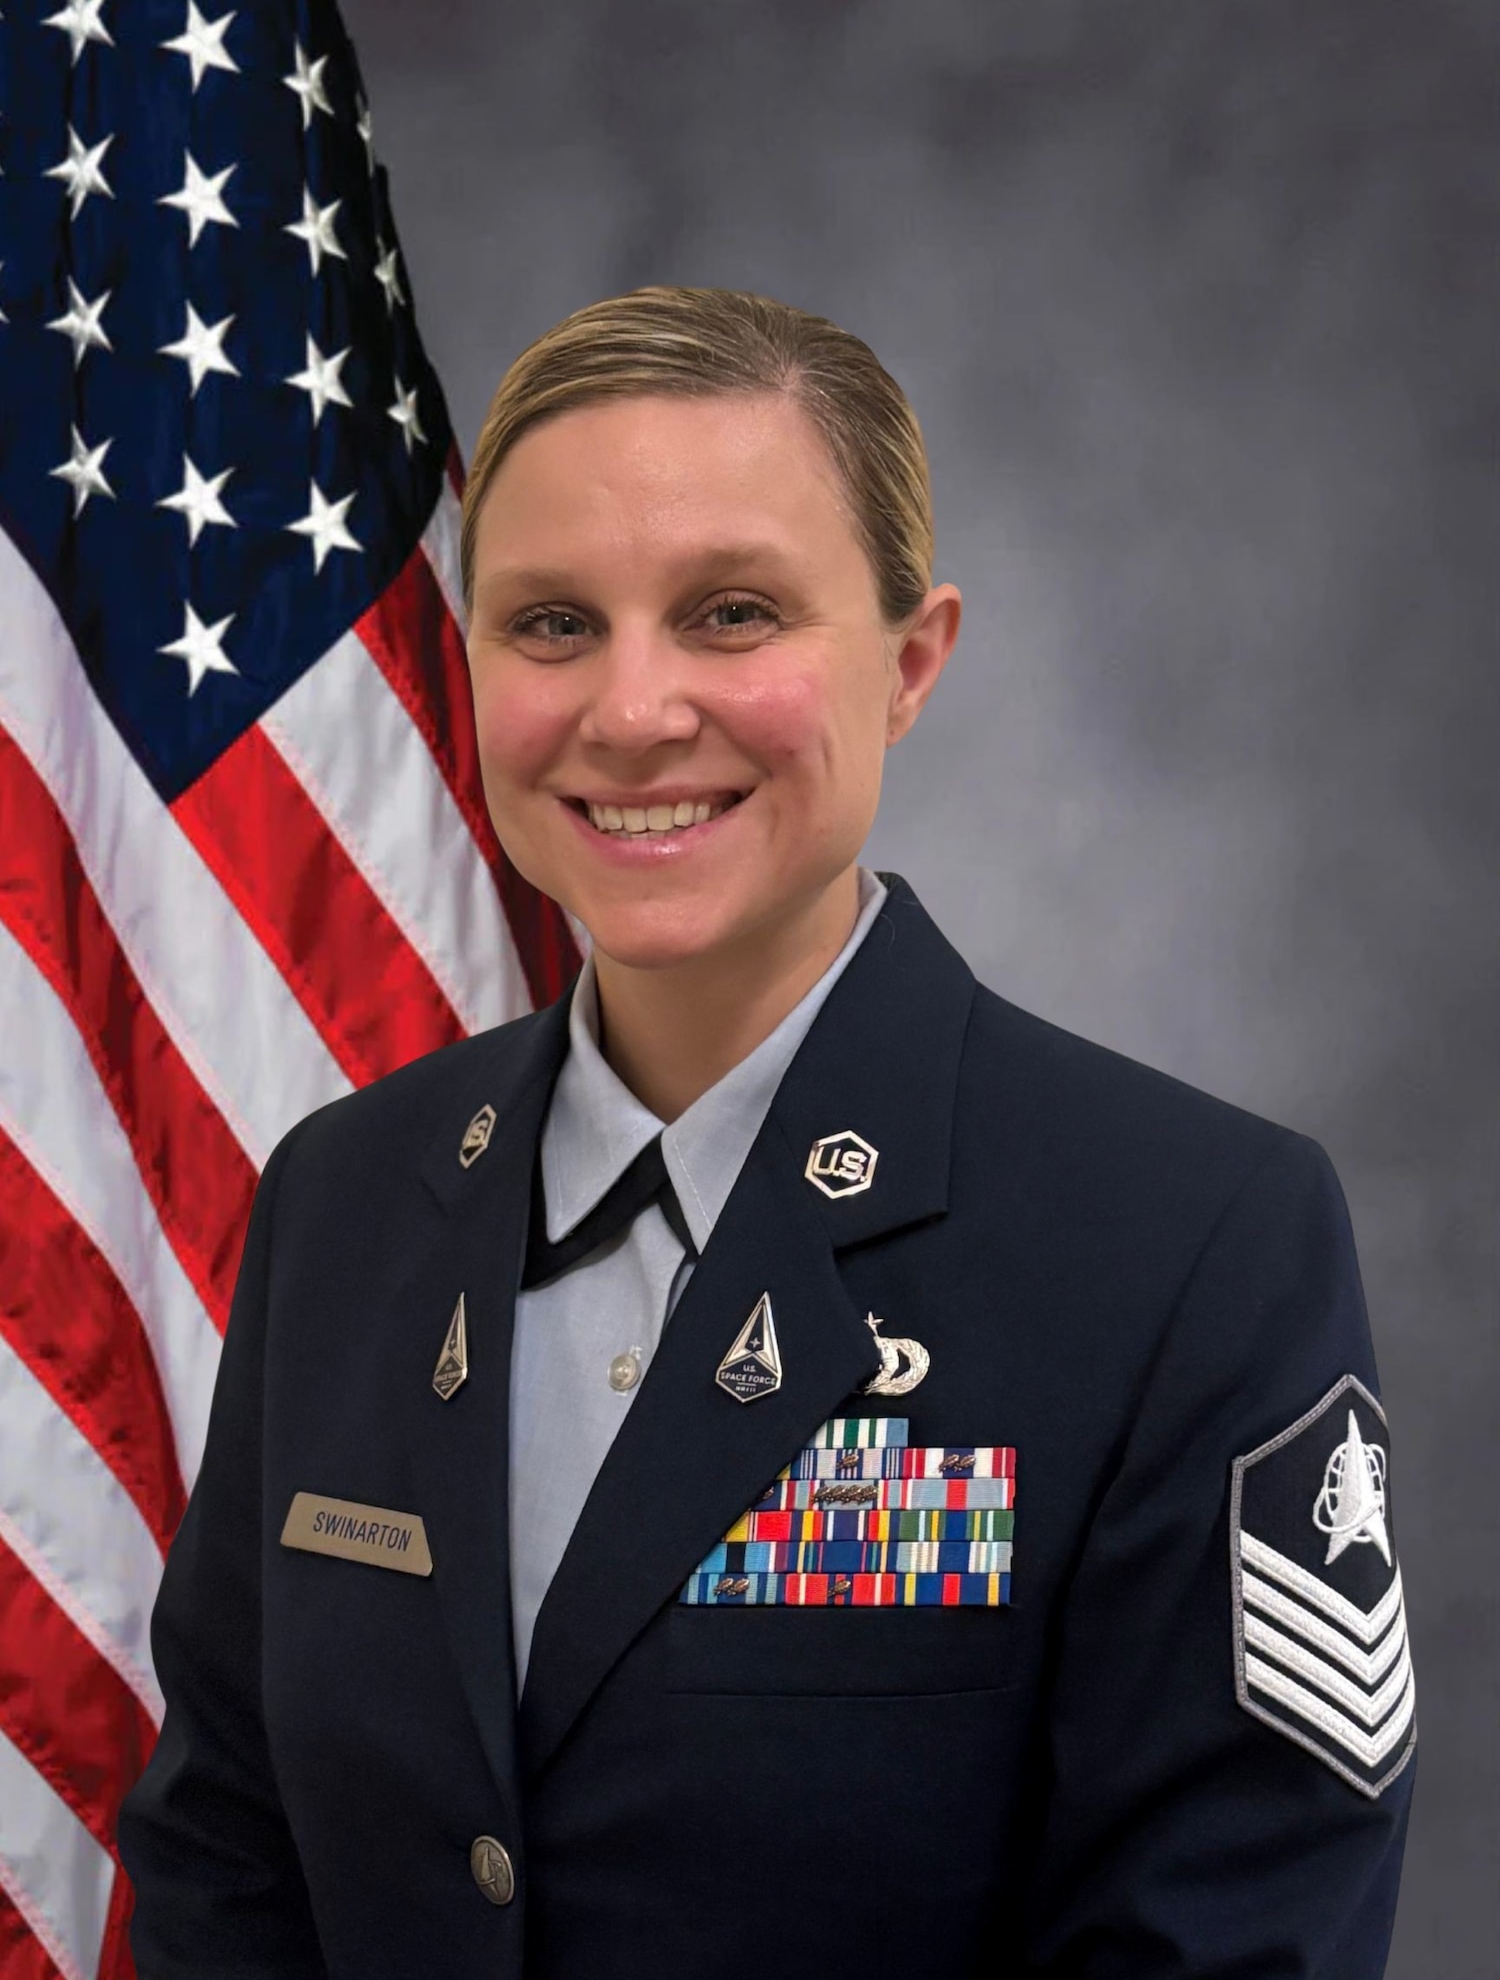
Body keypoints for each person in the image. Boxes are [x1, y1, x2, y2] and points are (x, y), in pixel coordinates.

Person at [118, 285, 1414, 1978]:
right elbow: (227, 1858)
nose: (633, 710)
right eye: (552, 623)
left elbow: (1226, 1941)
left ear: (911, 663)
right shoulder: (346, 1200)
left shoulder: (1189, 1243)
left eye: (731, 613)